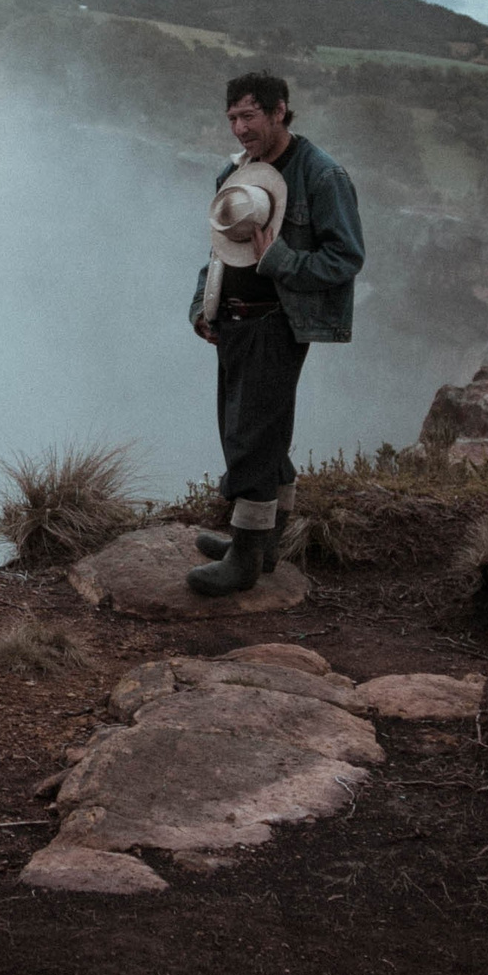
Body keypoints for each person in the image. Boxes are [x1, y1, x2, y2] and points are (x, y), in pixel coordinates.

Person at [187, 71, 364, 597]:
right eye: (232, 118)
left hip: (277, 322)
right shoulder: (236, 173)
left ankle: (244, 557)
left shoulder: (322, 175)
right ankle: (262, 543)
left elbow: (346, 257)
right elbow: (218, 247)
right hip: (236, 319)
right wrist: (204, 304)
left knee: (251, 437)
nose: (240, 129)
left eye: (249, 116)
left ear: (279, 111)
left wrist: (279, 259)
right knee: (256, 429)